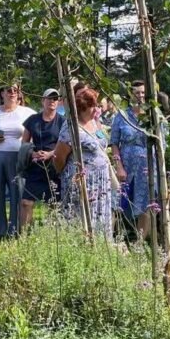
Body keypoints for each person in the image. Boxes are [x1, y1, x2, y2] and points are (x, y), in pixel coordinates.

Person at [53, 86, 114, 239]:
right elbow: (59, 156)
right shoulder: (71, 127)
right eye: (92, 106)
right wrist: (69, 175)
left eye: (97, 105)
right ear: (81, 107)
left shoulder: (95, 122)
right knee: (79, 219)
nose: (96, 110)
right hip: (82, 181)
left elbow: (101, 143)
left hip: (101, 181)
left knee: (99, 217)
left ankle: (100, 246)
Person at [0, 83, 36, 238]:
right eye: (8, 90)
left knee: (18, 192)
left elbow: (37, 131)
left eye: (15, 90)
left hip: (18, 157)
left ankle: (17, 231)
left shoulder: (28, 112)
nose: (12, 93)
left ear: (19, 94)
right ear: (2, 93)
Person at [110, 80, 151, 238]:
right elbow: (114, 143)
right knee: (118, 201)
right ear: (130, 94)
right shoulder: (121, 116)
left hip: (147, 166)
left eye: (143, 93)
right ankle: (110, 239)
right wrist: (118, 165)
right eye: (137, 93)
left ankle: (140, 243)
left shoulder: (152, 116)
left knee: (145, 204)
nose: (140, 96)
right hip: (126, 165)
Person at [20, 87, 64, 230]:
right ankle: (24, 236)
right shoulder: (32, 120)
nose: (52, 101)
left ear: (58, 102)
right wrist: (32, 153)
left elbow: (65, 143)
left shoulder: (63, 122)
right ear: (42, 101)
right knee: (26, 202)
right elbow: (24, 143)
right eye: (49, 98)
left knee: (53, 203)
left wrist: (50, 154)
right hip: (35, 166)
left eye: (55, 98)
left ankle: (52, 236)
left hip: (54, 166)